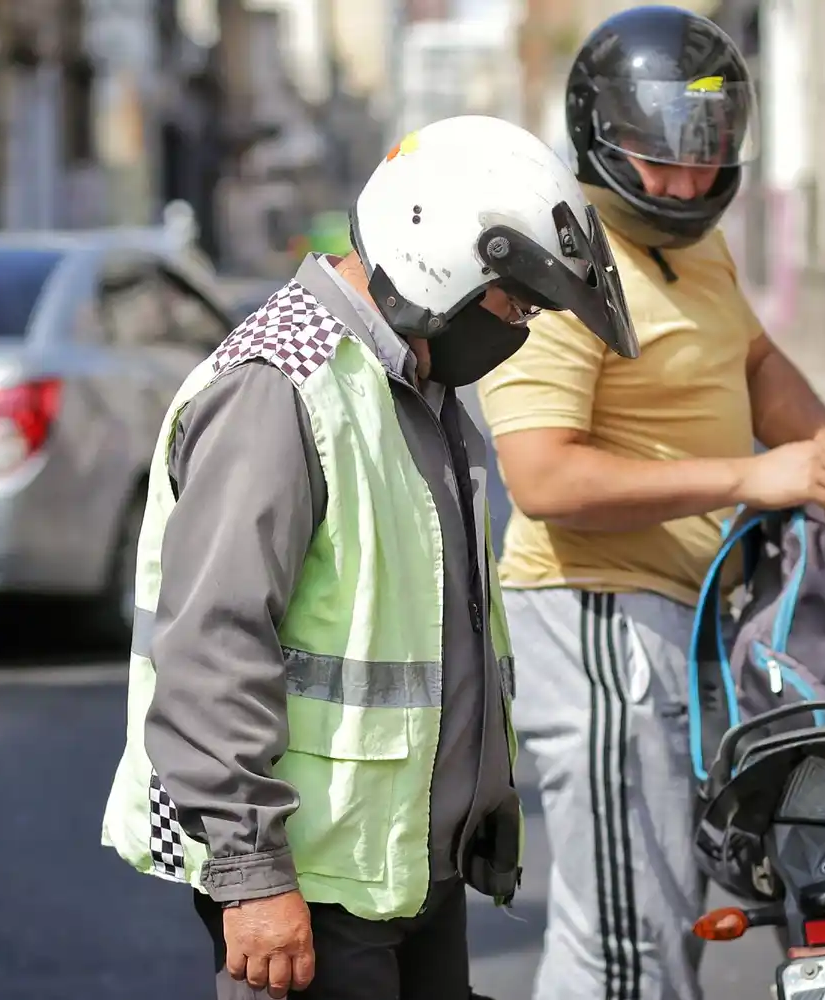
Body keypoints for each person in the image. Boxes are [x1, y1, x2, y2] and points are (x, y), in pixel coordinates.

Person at [98, 114, 640, 1000]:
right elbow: (211, 649)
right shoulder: (280, 386)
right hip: (311, 884)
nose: (521, 327)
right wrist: (251, 875)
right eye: (516, 302)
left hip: (401, 863)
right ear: (444, 260)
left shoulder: (409, 380)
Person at [476, 8, 825, 1000]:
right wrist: (748, 477)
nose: (685, 182)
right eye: (661, 158)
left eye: (706, 155)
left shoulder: (696, 248)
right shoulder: (563, 260)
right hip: (598, 616)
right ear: (599, 135)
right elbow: (544, 480)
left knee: (659, 928)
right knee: (627, 948)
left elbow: (752, 360)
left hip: (683, 615)